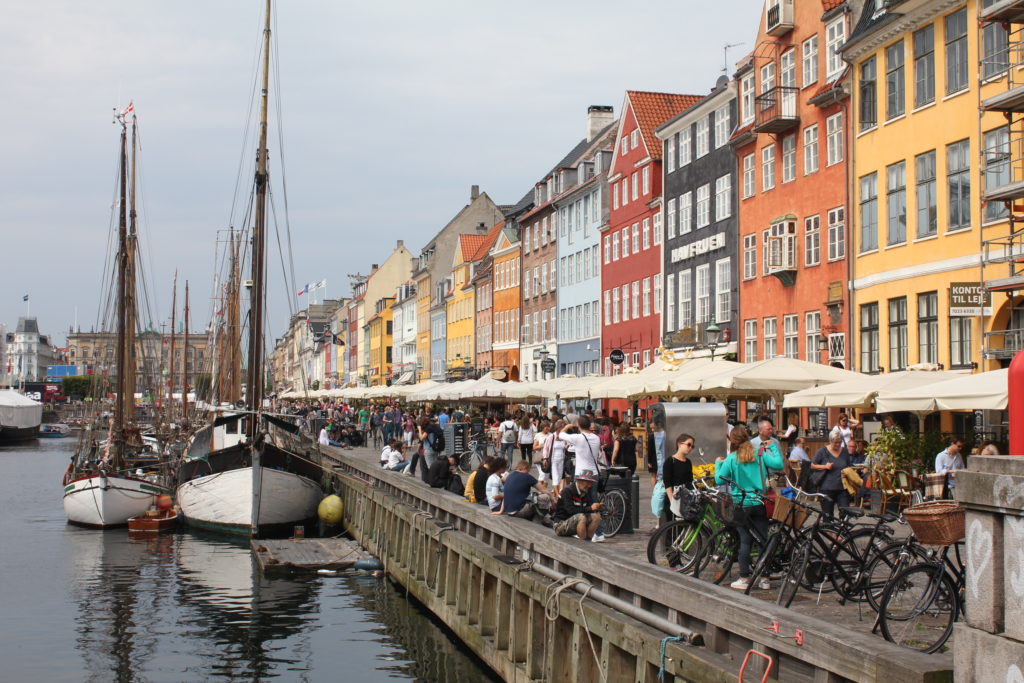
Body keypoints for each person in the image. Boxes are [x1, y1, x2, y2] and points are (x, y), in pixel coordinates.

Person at [714, 425, 783, 591]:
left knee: (744, 541)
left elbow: (719, 480)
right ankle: (764, 578)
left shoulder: (732, 458)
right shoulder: (759, 454)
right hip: (759, 501)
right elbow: (779, 464)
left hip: (741, 504)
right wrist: (772, 445)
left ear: (732, 441)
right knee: (762, 540)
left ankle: (744, 577)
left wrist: (717, 464)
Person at [551, 470, 605, 542]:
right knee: (581, 517)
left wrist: (597, 508)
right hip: (560, 525)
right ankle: (583, 545)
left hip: (574, 522)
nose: (589, 485)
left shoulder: (584, 492)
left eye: (591, 483)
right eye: (587, 482)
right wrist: (590, 508)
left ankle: (587, 542)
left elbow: (587, 509)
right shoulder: (567, 491)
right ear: (580, 481)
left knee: (596, 516)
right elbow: (571, 510)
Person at [810, 430, 853, 518]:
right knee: (827, 515)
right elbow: (812, 466)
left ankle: (842, 530)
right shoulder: (822, 451)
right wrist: (825, 467)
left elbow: (849, 466)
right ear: (830, 441)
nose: (838, 444)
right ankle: (829, 531)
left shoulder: (844, 451)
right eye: (835, 442)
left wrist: (847, 473)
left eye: (840, 442)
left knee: (845, 513)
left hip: (843, 488)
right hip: (827, 488)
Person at [663, 434, 695, 516]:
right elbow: (667, 483)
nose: (690, 448)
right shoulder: (670, 461)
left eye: (692, 446)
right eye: (688, 445)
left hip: (685, 499)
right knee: (673, 526)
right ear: (680, 444)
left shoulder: (688, 462)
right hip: (674, 498)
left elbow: (690, 481)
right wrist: (672, 501)